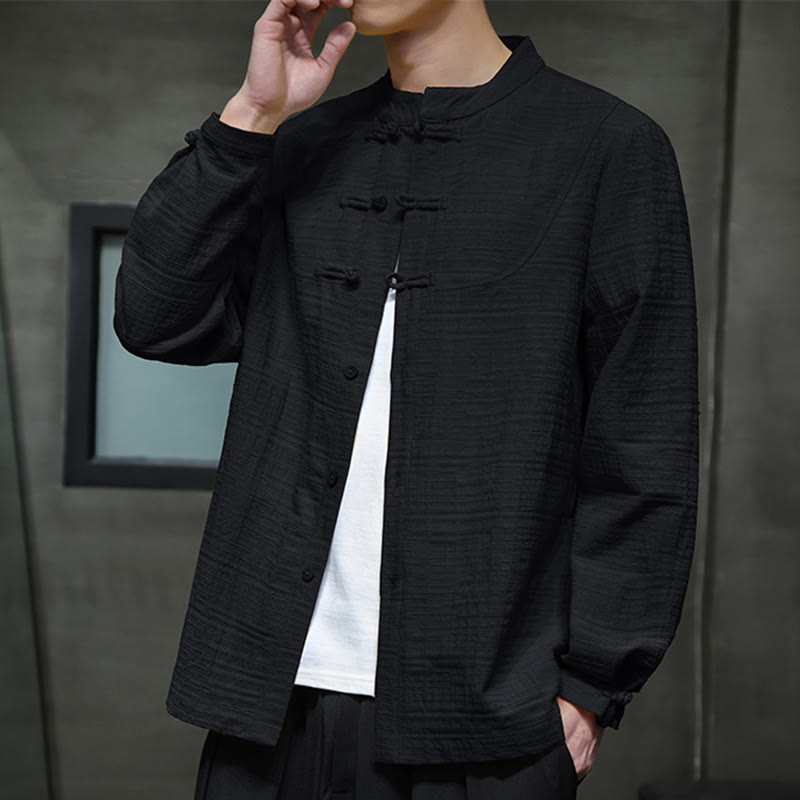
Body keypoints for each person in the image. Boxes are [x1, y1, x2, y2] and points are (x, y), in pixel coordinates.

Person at [113, 0, 700, 797]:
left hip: (485, 725)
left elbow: (645, 443)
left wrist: (591, 686)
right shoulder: (304, 144)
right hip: (270, 708)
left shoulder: (606, 146)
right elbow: (154, 318)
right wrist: (252, 114)